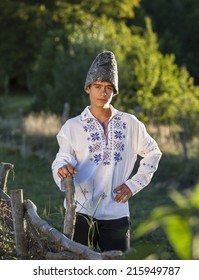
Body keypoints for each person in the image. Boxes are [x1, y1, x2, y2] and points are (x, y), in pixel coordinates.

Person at [52, 51, 162, 252]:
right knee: (80, 267)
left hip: (116, 211)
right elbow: (63, 157)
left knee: (116, 266)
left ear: (114, 92)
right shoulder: (72, 126)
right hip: (80, 210)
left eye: (108, 88)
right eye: (98, 86)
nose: (103, 92)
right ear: (88, 88)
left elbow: (153, 152)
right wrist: (62, 168)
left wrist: (133, 184)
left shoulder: (130, 123)